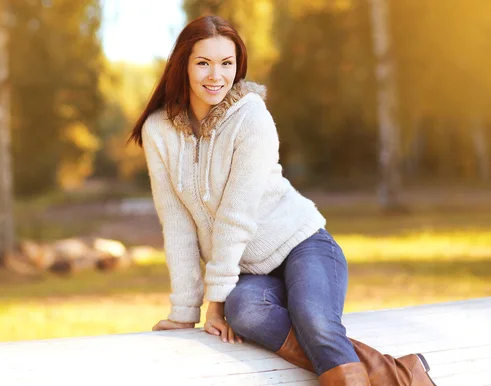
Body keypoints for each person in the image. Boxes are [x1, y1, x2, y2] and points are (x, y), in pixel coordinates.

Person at [128, 15, 437, 386]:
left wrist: (214, 305)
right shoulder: (159, 130)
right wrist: (183, 312)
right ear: (182, 65)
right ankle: (402, 374)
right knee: (245, 312)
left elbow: (235, 215)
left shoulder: (251, 117)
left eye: (226, 64)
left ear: (238, 66)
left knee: (314, 319)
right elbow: (177, 224)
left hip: (303, 245)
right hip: (252, 272)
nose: (216, 76)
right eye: (203, 63)